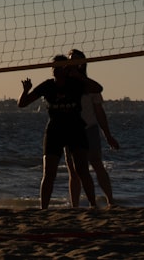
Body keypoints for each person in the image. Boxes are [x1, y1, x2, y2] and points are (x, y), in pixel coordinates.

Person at [18, 55, 98, 209]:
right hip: (55, 130)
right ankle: (44, 209)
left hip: (75, 128)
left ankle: (93, 205)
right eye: (53, 66)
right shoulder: (48, 86)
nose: (54, 69)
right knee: (49, 173)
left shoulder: (75, 84)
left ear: (66, 68)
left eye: (58, 66)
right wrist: (25, 90)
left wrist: (78, 75)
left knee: (82, 169)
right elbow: (22, 103)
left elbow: (97, 88)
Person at [64, 48, 120, 208]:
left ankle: (110, 201)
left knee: (97, 165)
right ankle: (75, 206)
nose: (72, 63)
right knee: (73, 172)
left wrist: (108, 135)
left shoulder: (90, 86)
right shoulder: (63, 84)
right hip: (71, 131)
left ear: (82, 63)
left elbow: (99, 112)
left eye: (75, 60)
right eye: (70, 60)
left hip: (89, 129)